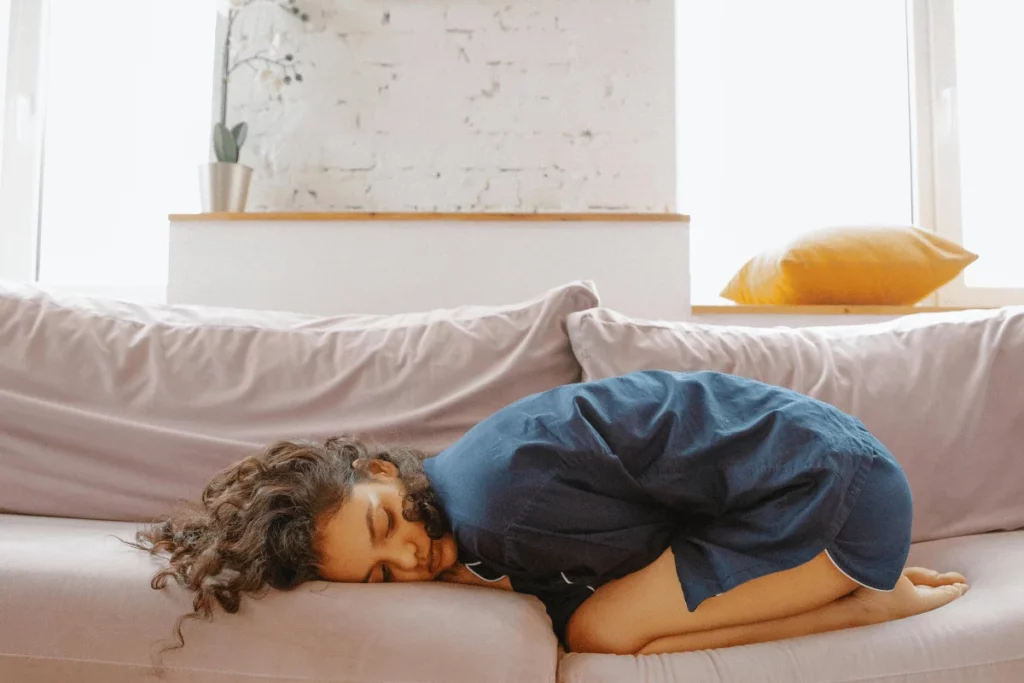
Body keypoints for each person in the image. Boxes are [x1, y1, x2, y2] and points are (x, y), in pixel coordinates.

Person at [135, 370, 968, 655]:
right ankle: (837, 585)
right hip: (827, 462)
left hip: (833, 497)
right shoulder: (464, 476)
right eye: (382, 574)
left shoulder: (502, 510)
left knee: (599, 634)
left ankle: (864, 600)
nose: (414, 559)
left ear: (382, 469)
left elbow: (626, 576)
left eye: (388, 525)